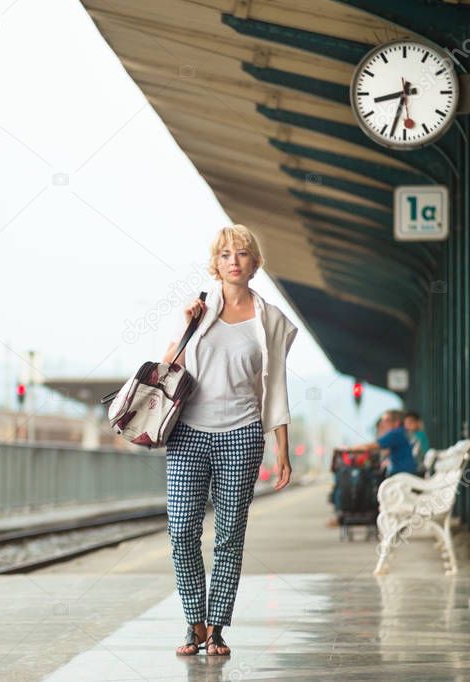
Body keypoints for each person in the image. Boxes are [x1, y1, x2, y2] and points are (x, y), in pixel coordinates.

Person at [161, 224, 298, 657]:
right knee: (182, 530)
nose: (233, 260)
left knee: (229, 535)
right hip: (188, 434)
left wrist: (282, 449)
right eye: (225, 254)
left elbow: (275, 387)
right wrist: (186, 329)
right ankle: (193, 621)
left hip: (241, 435)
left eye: (241, 254)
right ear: (215, 264)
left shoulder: (270, 320)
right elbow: (167, 369)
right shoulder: (198, 311)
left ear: (255, 264)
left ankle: (216, 628)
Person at [345, 409, 416, 477]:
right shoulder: (403, 432)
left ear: (396, 423)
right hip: (407, 473)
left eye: (386, 420)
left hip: (400, 476)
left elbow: (372, 446)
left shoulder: (395, 434)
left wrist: (349, 448)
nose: (382, 423)